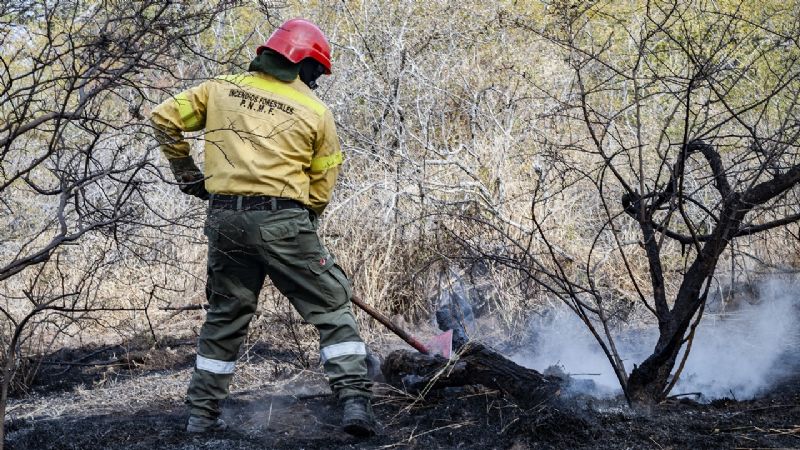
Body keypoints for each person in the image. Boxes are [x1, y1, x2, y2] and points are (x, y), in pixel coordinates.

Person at [150, 18, 375, 437]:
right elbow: (322, 183)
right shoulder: (315, 111)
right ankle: (356, 404)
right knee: (332, 307)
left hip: (224, 220)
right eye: (316, 72)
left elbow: (163, 118)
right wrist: (303, 225)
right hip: (283, 219)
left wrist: (186, 174)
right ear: (305, 64)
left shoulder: (219, 88)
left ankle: (201, 416)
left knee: (225, 315)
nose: (315, 80)